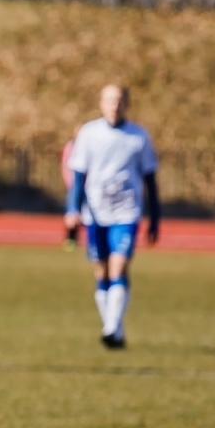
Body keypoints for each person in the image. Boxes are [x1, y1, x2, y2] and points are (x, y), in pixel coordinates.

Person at [63, 85, 159, 348]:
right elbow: (78, 177)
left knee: (118, 265)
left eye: (118, 100)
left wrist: (155, 218)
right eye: (109, 100)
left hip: (125, 211)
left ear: (126, 103)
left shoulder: (138, 136)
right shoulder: (89, 133)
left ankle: (111, 326)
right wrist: (72, 209)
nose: (114, 105)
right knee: (101, 270)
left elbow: (150, 179)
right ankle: (114, 329)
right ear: (101, 103)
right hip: (95, 212)